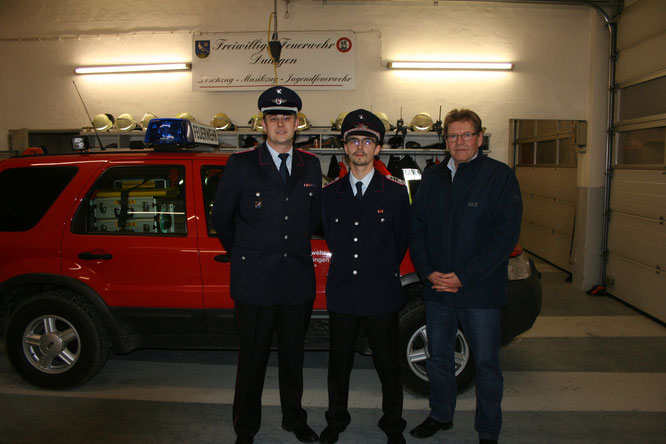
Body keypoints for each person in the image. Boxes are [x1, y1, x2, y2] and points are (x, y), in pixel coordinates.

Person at [212, 86, 322, 444]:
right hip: (255, 282)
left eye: (286, 117)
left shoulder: (311, 165)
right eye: (272, 117)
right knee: (252, 361)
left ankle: (294, 418)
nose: (279, 123)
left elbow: (314, 217)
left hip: (296, 281)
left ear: (296, 123)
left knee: (293, 357)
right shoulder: (242, 164)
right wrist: (248, 253)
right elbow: (222, 219)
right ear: (262, 123)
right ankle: (246, 427)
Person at [409, 109, 522, 444]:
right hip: (438, 290)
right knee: (438, 357)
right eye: (452, 136)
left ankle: (488, 430)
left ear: (479, 138)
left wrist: (463, 277)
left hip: (480, 292)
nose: (459, 141)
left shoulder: (499, 177)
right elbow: (417, 229)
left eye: (466, 135)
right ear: (445, 140)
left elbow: (504, 238)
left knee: (486, 364)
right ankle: (441, 415)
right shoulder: (431, 177)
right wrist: (428, 272)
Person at [320, 109, 411, 444]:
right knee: (338, 363)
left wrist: (378, 269)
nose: (360, 146)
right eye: (353, 140)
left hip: (381, 292)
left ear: (378, 148)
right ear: (344, 147)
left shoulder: (396, 192)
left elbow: (401, 240)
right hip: (343, 291)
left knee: (388, 364)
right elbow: (332, 237)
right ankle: (336, 419)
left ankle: (392, 423)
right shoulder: (330, 194)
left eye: (367, 140)